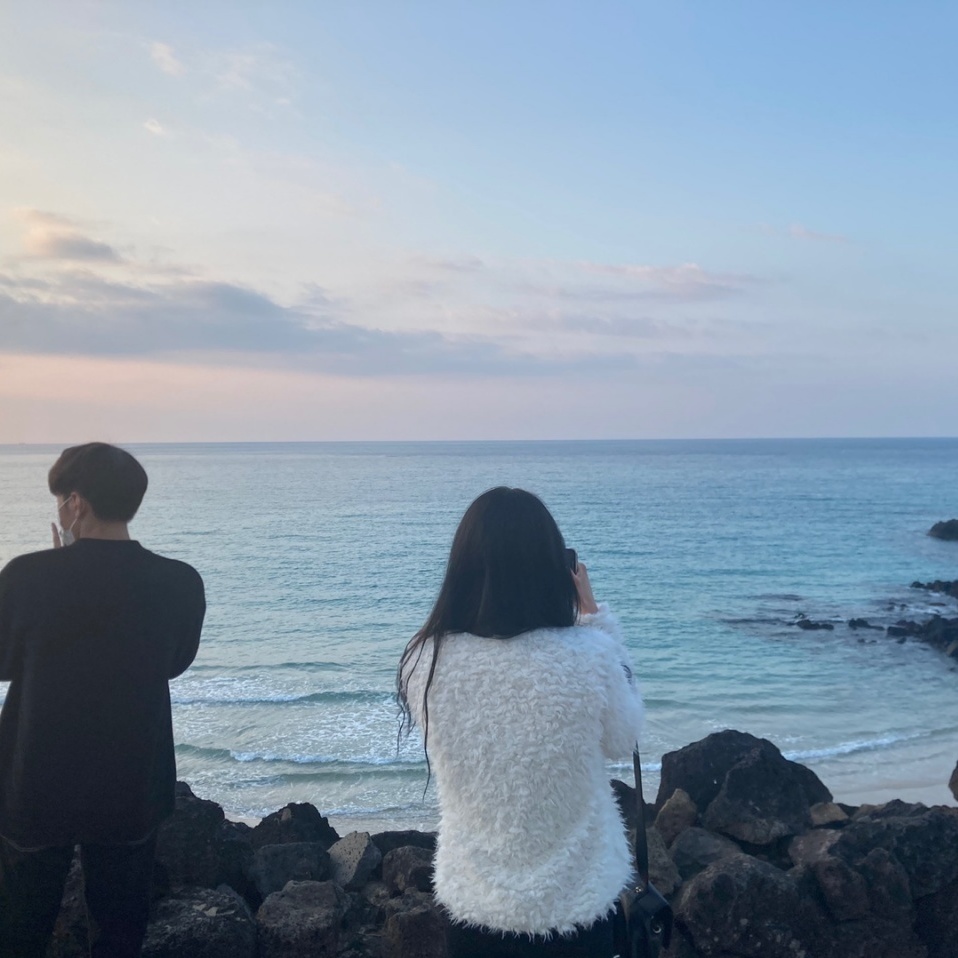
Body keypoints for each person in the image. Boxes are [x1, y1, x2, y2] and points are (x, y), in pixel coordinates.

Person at [398, 487, 643, 958]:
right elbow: (623, 736)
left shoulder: (424, 660)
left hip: (474, 906)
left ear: (462, 569)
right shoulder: (591, 656)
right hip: (578, 903)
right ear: (554, 568)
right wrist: (595, 619)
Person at [0, 442, 206, 958]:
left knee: (19, 926)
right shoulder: (180, 581)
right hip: (130, 779)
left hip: (35, 778)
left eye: (60, 501)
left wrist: (57, 567)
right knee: (120, 930)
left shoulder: (26, 576)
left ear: (75, 503)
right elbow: (174, 662)